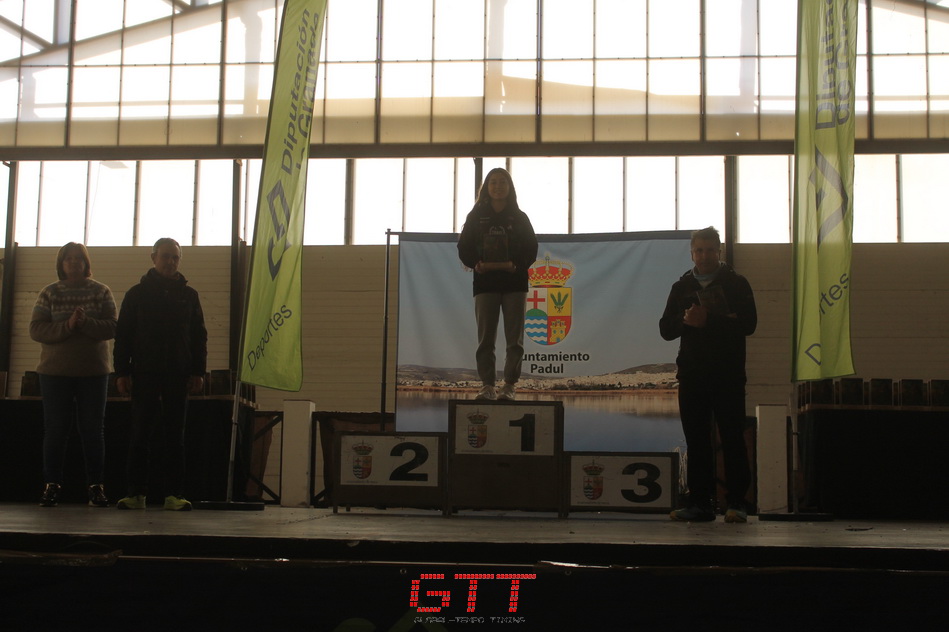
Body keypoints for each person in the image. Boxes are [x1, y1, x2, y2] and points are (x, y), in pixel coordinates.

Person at [659, 226, 757, 523]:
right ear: (692, 254)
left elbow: (749, 324)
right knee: (697, 440)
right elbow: (665, 330)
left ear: (719, 251)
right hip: (692, 375)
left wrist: (709, 320)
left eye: (710, 250)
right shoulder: (681, 287)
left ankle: (737, 503)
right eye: (698, 250)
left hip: (728, 375)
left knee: (732, 438)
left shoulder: (737, 283)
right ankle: (699, 504)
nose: (704, 256)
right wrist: (687, 320)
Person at [113, 238, 207, 511]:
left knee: (175, 436)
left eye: (175, 257)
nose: (170, 261)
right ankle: (136, 494)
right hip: (144, 373)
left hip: (179, 374)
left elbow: (199, 336)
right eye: (165, 256)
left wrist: (198, 371)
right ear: (153, 257)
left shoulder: (189, 296)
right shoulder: (136, 294)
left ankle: (174, 495)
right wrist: (122, 372)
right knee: (140, 434)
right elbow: (123, 336)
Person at [30, 243, 117, 507]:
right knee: (56, 430)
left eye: (79, 258)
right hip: (55, 373)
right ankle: (52, 485)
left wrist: (86, 323)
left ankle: (96, 487)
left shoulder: (101, 291)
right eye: (68, 259)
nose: (74, 262)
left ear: (86, 263)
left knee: (93, 431)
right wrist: (67, 326)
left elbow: (113, 327)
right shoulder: (49, 292)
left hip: (94, 373)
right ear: (61, 263)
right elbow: (36, 330)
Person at [457, 168, 538, 401]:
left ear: (510, 187)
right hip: (485, 284)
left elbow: (531, 248)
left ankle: (509, 385)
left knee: (515, 340)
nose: (498, 186)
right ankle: (487, 386)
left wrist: (516, 265)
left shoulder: (520, 217)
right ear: (486, 187)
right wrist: (476, 263)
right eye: (493, 182)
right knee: (485, 340)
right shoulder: (475, 216)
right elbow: (464, 247)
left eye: (502, 182)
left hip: (515, 284)